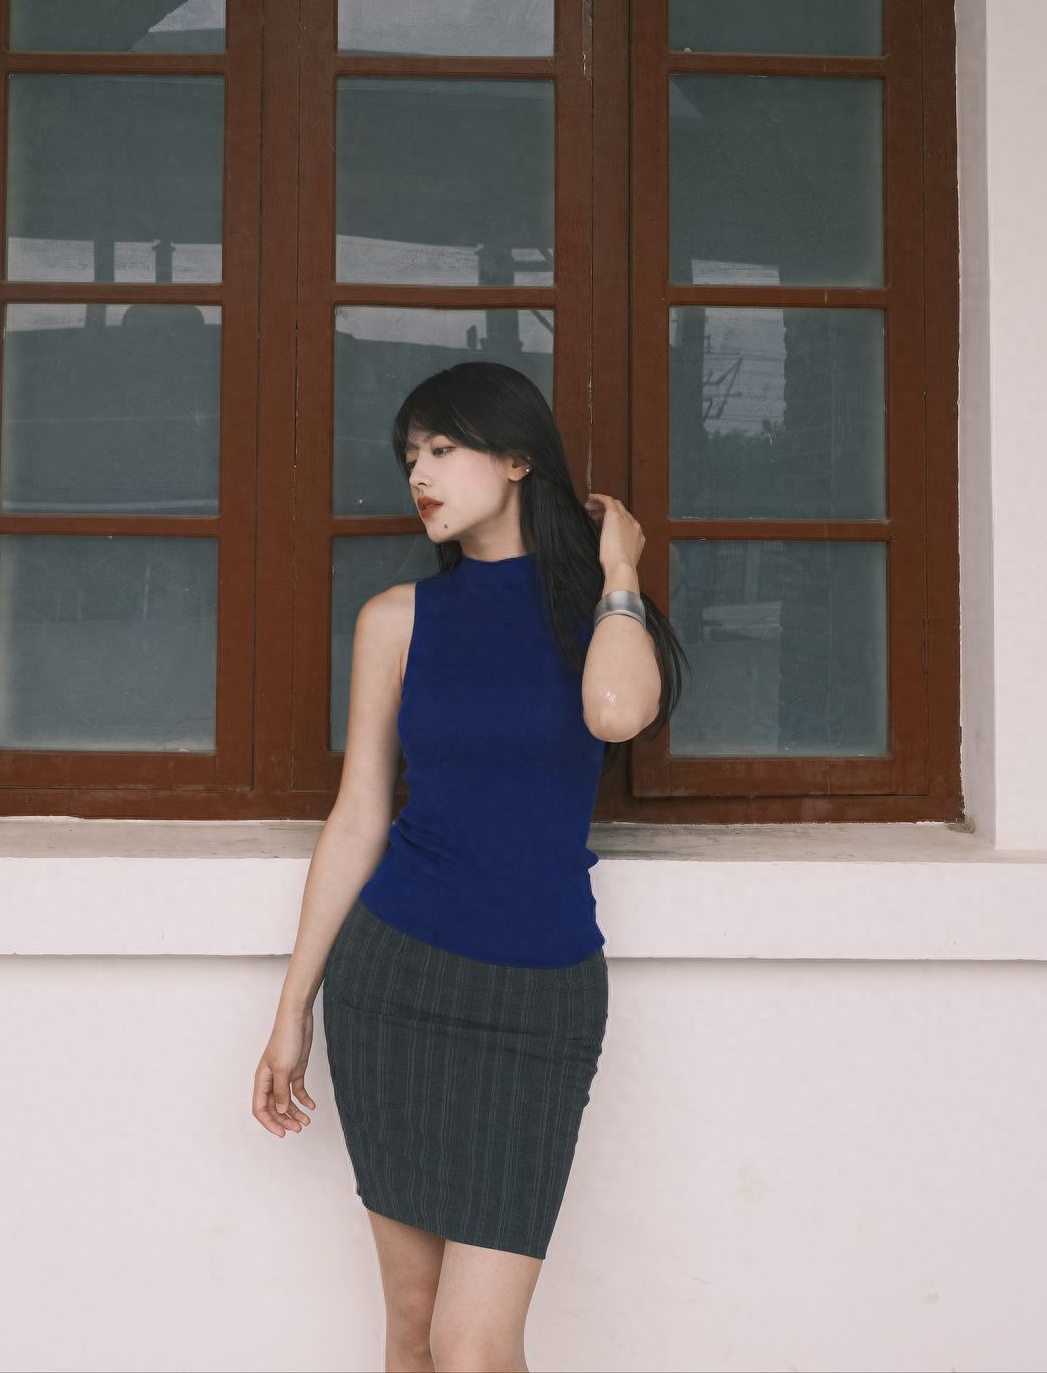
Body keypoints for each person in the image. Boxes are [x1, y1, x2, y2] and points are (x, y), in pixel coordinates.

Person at [252, 360, 687, 1373]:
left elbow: (616, 714)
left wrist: (620, 570)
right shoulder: (396, 620)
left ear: (518, 458)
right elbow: (359, 814)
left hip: (539, 1001)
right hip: (394, 981)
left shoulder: (600, 618)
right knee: (412, 1332)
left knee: (473, 1344)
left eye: (442, 448)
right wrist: (292, 1007)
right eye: (410, 456)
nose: (419, 474)